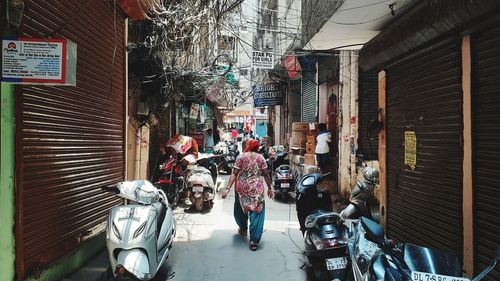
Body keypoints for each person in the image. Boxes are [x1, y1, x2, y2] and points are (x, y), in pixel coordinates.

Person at [222, 139, 273, 251]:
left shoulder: (240, 157)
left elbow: (234, 173)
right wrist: (270, 188)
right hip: (256, 189)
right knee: (257, 212)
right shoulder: (261, 158)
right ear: (257, 147)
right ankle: (254, 241)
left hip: (243, 188)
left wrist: (227, 189)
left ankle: (243, 228)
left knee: (241, 209)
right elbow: (266, 174)